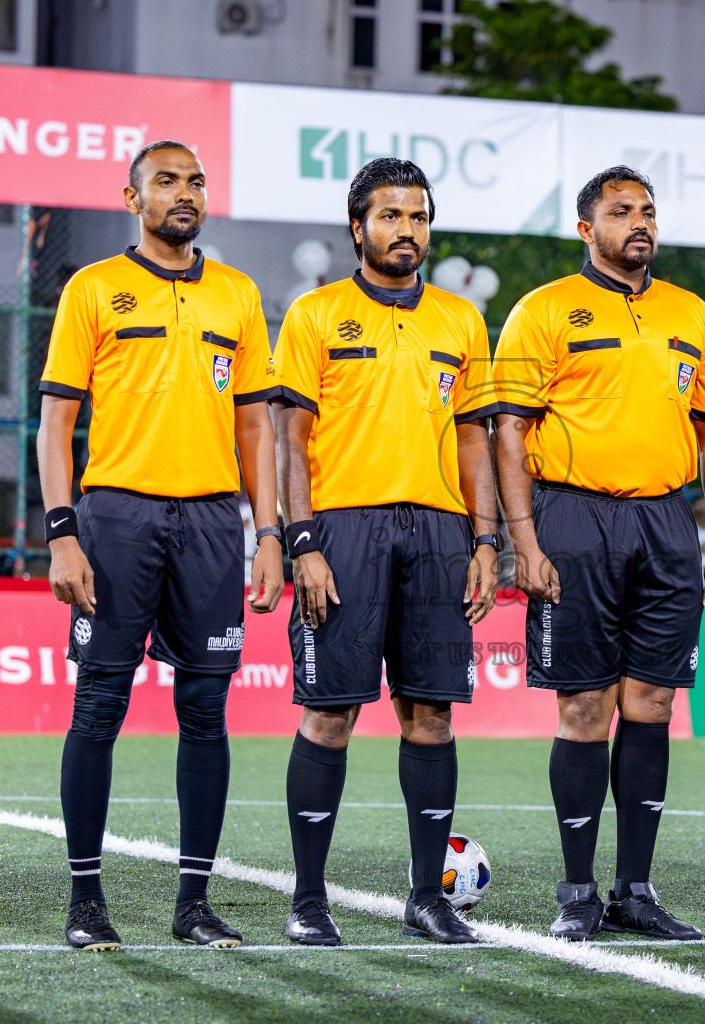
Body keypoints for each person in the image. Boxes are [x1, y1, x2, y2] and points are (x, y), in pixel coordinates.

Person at [37, 139, 284, 952]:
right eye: (167, 181)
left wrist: (269, 531)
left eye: (196, 181)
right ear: (131, 197)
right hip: (116, 520)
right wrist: (62, 531)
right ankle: (85, 902)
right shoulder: (94, 288)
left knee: (205, 712)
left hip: (213, 524)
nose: (186, 193)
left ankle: (194, 904)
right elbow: (56, 425)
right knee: (99, 706)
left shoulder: (239, 295)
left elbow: (256, 427)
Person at [492, 166, 705, 942]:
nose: (639, 222)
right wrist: (522, 540)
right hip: (573, 518)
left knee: (654, 706)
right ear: (585, 228)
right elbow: (507, 431)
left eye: (648, 211)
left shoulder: (692, 316)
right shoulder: (544, 310)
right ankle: (576, 892)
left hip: (666, 523)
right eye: (620, 211)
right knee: (585, 708)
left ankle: (634, 890)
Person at [271, 158, 499, 946]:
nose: (408, 230)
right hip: (342, 531)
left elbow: (476, 440)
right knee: (329, 712)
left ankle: (426, 900)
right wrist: (302, 543)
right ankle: (307, 900)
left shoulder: (462, 320)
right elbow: (289, 440)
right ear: (358, 224)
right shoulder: (315, 314)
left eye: (420, 216)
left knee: (430, 714)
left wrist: (486, 538)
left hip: (440, 533)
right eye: (393, 215)